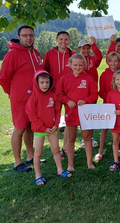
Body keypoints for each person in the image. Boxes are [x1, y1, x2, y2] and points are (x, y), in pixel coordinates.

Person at [0, 25, 43, 172]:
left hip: (35, 99)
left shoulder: (35, 53)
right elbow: (3, 78)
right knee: (20, 128)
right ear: (19, 37)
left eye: (31, 35)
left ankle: (30, 156)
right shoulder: (13, 54)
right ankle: (17, 162)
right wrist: (13, 94)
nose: (28, 38)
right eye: (25, 35)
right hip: (20, 100)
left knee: (30, 127)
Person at [25, 70, 72, 185]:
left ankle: (60, 170)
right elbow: (32, 115)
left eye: (47, 82)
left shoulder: (53, 96)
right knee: (38, 152)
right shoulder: (33, 98)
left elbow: (57, 111)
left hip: (52, 129)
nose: (45, 85)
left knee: (56, 150)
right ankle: (38, 175)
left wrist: (56, 125)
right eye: (42, 82)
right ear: (37, 83)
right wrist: (43, 128)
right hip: (39, 130)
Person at [56, 54, 99, 170]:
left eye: (80, 65)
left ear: (84, 65)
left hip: (85, 113)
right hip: (71, 113)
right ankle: (70, 164)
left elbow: (95, 94)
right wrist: (67, 101)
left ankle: (89, 163)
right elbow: (59, 94)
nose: (78, 67)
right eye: (75, 65)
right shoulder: (64, 79)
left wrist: (86, 100)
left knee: (87, 137)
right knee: (71, 138)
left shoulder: (89, 78)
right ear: (70, 65)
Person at [43, 31, 77, 159]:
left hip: (69, 93)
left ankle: (66, 148)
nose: (64, 42)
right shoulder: (49, 54)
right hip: (53, 92)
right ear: (56, 40)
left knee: (70, 121)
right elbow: (45, 73)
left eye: (66, 39)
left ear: (69, 41)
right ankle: (56, 150)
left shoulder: (73, 54)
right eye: (61, 39)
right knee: (54, 121)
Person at [96, 52, 120, 161]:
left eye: (116, 61)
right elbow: (101, 92)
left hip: (119, 105)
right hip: (107, 105)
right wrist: (109, 99)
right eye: (111, 61)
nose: (113, 63)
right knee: (105, 128)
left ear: (119, 62)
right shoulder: (104, 75)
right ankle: (100, 151)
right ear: (107, 62)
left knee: (118, 127)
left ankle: (118, 148)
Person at [78, 37, 101, 148]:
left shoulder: (93, 60)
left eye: (88, 48)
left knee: (90, 116)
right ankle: (84, 139)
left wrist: (94, 44)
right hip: (81, 92)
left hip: (92, 92)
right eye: (84, 48)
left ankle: (90, 138)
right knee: (83, 117)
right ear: (79, 48)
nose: (86, 50)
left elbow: (100, 56)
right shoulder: (77, 61)